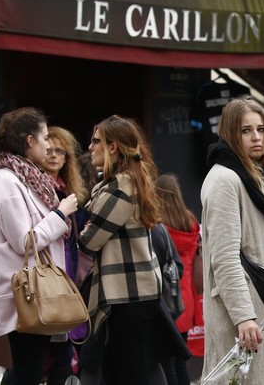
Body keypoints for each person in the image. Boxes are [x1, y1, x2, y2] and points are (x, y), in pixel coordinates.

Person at [78, 115, 188, 385]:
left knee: (132, 373)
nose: (90, 147)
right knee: (130, 370)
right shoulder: (126, 181)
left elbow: (88, 241)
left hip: (127, 295)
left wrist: (76, 226)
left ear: (112, 147)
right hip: (132, 294)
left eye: (96, 141)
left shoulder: (120, 187)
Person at [0, 108, 79, 385]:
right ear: (28, 140)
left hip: (42, 294)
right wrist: (60, 215)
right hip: (27, 295)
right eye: (44, 137)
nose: (48, 145)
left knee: (46, 367)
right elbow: (24, 241)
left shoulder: (26, 178)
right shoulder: (6, 182)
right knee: (29, 372)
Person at [201, 97, 264, 384]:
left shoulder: (250, 176)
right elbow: (224, 257)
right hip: (245, 315)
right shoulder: (225, 180)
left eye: (261, 129)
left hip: (261, 308)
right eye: (246, 130)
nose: (256, 138)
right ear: (230, 133)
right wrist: (243, 316)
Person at [40, 126, 90, 380]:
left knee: (63, 356)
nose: (54, 155)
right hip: (43, 279)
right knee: (38, 360)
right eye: (49, 149)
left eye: (61, 151)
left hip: (69, 279)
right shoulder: (35, 187)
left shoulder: (71, 193)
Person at [156, 173, 202, 385]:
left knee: (167, 362)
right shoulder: (190, 222)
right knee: (181, 361)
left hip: (166, 298)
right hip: (187, 299)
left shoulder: (158, 227)